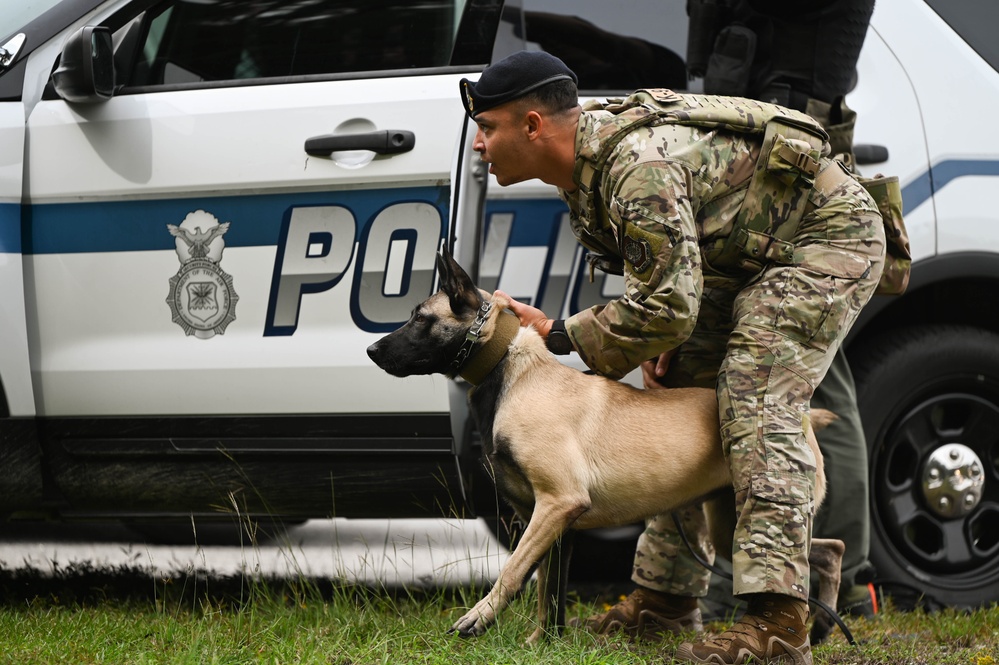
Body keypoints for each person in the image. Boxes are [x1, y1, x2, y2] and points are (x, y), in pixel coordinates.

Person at [460, 50, 885, 664]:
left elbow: (666, 306)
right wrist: (662, 343)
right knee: (682, 388)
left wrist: (560, 334)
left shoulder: (635, 167)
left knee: (755, 392)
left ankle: (778, 623)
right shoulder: (581, 175)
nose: (479, 145)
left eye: (488, 127)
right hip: (745, 254)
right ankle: (664, 604)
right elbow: (665, 294)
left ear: (532, 125)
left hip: (824, 238)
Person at [684, 0, 881, 618]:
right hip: (769, 125)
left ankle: (840, 580)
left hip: (788, 136)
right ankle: (840, 580)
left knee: (803, 371)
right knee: (810, 369)